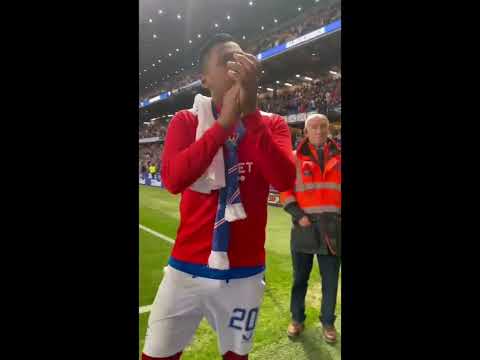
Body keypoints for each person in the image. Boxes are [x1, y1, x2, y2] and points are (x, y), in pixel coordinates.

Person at [141, 33, 296, 360]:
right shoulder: (186, 121)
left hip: (245, 273)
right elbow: (172, 179)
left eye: (241, 56)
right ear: (205, 78)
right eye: (227, 59)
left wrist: (251, 116)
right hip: (185, 270)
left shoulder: (274, 124)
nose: (237, 64)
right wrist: (223, 125)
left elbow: (284, 178)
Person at [280, 114, 341, 343]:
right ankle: (297, 319)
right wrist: (297, 214)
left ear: (329, 130)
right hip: (303, 226)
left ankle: (328, 322)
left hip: (333, 228)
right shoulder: (293, 158)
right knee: (299, 279)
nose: (319, 130)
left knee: (331, 280)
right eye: (314, 127)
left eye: (323, 127)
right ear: (306, 131)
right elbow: (284, 189)